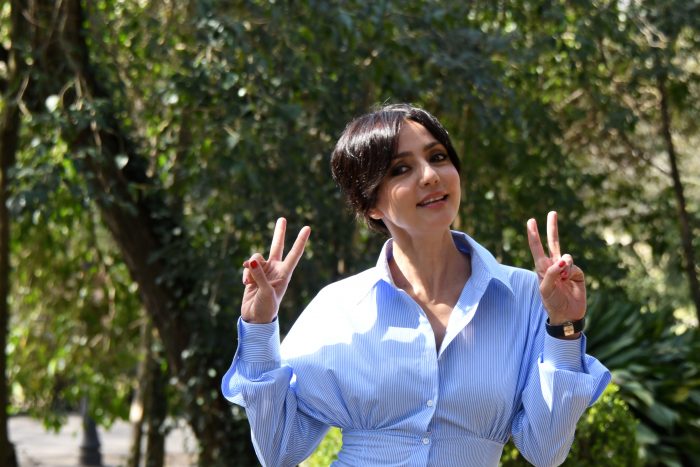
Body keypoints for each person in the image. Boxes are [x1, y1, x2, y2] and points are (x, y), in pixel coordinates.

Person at [221, 104, 610, 467]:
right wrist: (259, 327)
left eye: (438, 157)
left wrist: (565, 326)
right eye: (401, 169)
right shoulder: (338, 307)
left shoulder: (527, 296)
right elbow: (279, 450)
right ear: (370, 204)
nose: (429, 175)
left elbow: (545, 451)